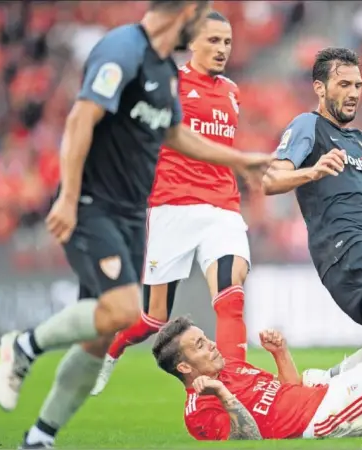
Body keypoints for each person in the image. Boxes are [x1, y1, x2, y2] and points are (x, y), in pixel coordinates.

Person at [0, 2, 272, 448]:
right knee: (134, 316)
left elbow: (178, 135)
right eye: (208, 33)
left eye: (225, 40)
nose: (219, 45)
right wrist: (66, 195)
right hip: (113, 203)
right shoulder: (125, 51)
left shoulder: (168, 73)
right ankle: (25, 345)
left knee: (116, 324)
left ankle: (40, 436)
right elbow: (83, 116)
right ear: (184, 21)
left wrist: (242, 161)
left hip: (164, 208)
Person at [90, 10, 251, 396]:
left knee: (230, 297)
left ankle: (239, 387)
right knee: (151, 318)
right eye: (213, 40)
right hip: (172, 207)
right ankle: (110, 351)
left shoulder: (232, 91)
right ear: (191, 41)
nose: (222, 49)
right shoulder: (168, 82)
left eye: (227, 42)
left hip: (223, 208)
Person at [262, 47, 362, 366]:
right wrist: (313, 170)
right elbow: (270, 180)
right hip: (346, 251)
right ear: (320, 88)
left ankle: (335, 377)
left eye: (358, 86)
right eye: (344, 85)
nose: (353, 93)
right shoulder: (307, 125)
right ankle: (336, 383)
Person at [152, 316, 362, 441]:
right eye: (200, 345)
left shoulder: (229, 366)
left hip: (324, 391)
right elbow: (248, 440)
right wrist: (223, 395)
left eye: (205, 337)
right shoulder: (199, 412)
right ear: (185, 368)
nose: (211, 344)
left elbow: (287, 390)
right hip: (326, 416)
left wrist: (280, 354)